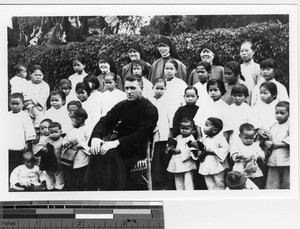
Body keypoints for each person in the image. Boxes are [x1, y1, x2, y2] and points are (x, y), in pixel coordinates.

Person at [86, 74, 158, 191]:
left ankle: (112, 193)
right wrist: (96, 137)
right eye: (127, 88)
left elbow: (142, 135)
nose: (129, 92)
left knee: (110, 154)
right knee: (97, 151)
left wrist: (116, 143)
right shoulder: (122, 105)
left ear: (142, 88)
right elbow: (105, 120)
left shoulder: (150, 109)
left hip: (136, 149)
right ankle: (92, 191)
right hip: (118, 145)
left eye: (133, 88)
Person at [149, 78, 173, 190]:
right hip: (152, 133)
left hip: (164, 133)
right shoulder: (149, 100)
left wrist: (170, 134)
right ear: (153, 88)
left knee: (164, 157)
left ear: (165, 89)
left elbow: (170, 119)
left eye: (161, 89)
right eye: (157, 88)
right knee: (154, 158)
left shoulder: (168, 101)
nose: (159, 91)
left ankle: (166, 182)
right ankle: (155, 182)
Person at [62, 108, 91, 191]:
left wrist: (80, 144)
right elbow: (65, 139)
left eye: (72, 120)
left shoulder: (87, 130)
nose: (71, 123)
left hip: (82, 160)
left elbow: (89, 144)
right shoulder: (72, 130)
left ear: (79, 119)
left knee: (81, 178)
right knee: (71, 178)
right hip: (70, 159)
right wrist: (66, 143)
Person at [8, 93, 36, 177]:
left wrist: (27, 144)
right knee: (9, 164)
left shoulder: (25, 116)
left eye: (17, 104)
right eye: (12, 104)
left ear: (23, 104)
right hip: (8, 145)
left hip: (20, 146)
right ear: (9, 103)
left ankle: (20, 179)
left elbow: (29, 131)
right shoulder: (6, 115)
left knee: (19, 164)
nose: (15, 106)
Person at [231, 123, 265, 189]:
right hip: (240, 171)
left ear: (254, 136)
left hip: (254, 173)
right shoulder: (237, 145)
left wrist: (256, 157)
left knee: (255, 187)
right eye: (246, 138)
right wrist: (238, 156)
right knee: (241, 187)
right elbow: (233, 154)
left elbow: (262, 156)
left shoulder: (256, 146)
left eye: (251, 138)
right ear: (240, 136)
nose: (249, 140)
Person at [198, 117, 229, 190]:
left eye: (207, 125)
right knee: (209, 184)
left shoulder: (220, 138)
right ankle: (212, 197)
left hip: (217, 165)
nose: (204, 128)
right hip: (206, 165)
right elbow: (198, 147)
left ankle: (220, 198)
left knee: (219, 183)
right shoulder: (203, 139)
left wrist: (212, 151)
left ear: (214, 130)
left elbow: (225, 148)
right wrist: (198, 152)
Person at [167, 118, 197, 190]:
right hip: (177, 164)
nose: (184, 130)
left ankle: (189, 196)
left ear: (193, 130)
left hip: (186, 164)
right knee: (178, 182)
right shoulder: (178, 137)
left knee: (188, 182)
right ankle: (179, 193)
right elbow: (170, 145)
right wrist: (172, 148)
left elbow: (193, 150)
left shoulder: (191, 139)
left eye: (187, 129)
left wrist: (180, 151)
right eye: (182, 128)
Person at [265, 101, 290, 189]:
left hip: (286, 159)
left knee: (288, 182)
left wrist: (279, 145)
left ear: (289, 113)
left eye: (282, 113)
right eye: (277, 113)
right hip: (274, 158)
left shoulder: (291, 125)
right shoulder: (273, 126)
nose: (279, 115)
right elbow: (270, 140)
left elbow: (293, 140)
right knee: (273, 183)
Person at [34, 122, 65, 191]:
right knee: (49, 177)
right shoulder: (46, 140)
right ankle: (50, 188)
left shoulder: (63, 140)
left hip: (58, 164)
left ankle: (58, 188)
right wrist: (42, 149)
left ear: (61, 132)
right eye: (51, 132)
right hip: (47, 164)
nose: (53, 134)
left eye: (56, 132)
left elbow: (66, 149)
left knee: (59, 178)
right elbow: (38, 146)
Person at [163, 59, 188, 125]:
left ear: (176, 70)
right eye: (166, 68)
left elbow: (184, 102)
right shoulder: (161, 84)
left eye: (171, 69)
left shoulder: (181, 84)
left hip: (176, 115)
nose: (169, 71)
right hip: (163, 115)